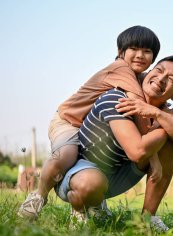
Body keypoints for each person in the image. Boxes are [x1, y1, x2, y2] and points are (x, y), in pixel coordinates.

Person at [18, 25, 163, 219]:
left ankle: (92, 201)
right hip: (67, 120)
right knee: (67, 155)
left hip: (87, 126)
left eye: (147, 51)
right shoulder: (121, 69)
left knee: (97, 159)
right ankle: (38, 196)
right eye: (134, 49)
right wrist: (153, 157)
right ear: (120, 52)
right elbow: (138, 108)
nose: (140, 55)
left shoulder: (139, 77)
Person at [55, 55, 173, 232]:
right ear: (148, 73)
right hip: (78, 175)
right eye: (159, 71)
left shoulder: (162, 112)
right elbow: (137, 152)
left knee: (172, 138)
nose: (161, 79)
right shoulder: (117, 98)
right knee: (91, 183)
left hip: (114, 177)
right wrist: (165, 123)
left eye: (170, 79)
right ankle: (80, 210)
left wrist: (159, 115)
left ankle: (147, 219)